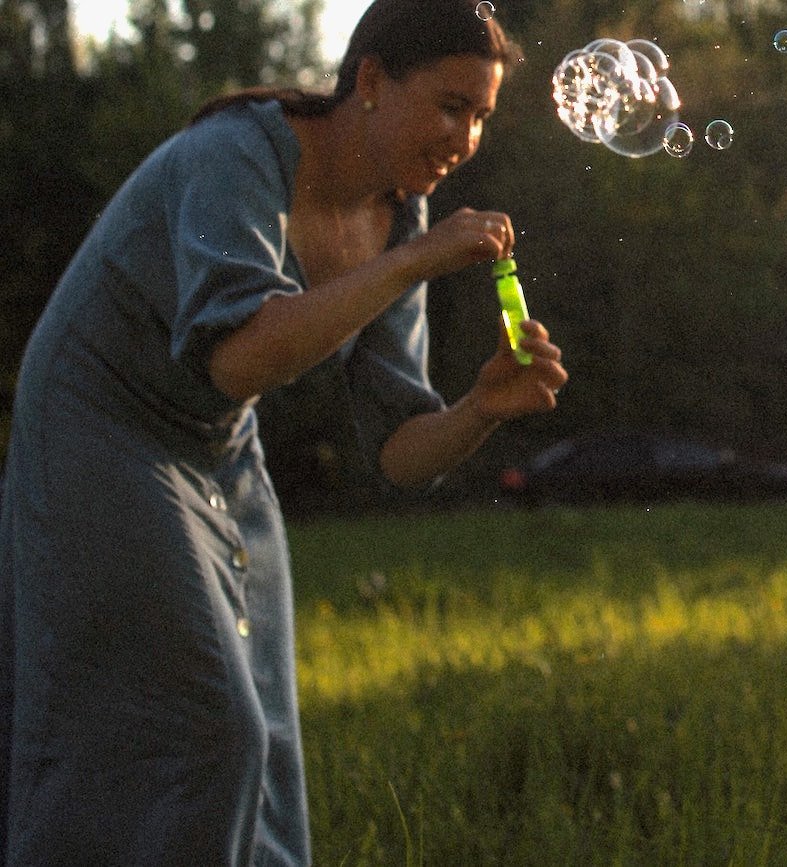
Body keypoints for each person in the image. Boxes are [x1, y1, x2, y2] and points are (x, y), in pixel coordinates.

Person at [0, 0, 567, 862]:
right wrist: (410, 263)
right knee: (205, 725)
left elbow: (398, 452)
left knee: (262, 738)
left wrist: (481, 407)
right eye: (453, 106)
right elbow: (238, 358)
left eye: (483, 116)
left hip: (218, 443)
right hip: (101, 420)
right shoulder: (238, 154)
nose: (467, 138)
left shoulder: (396, 215)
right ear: (370, 81)